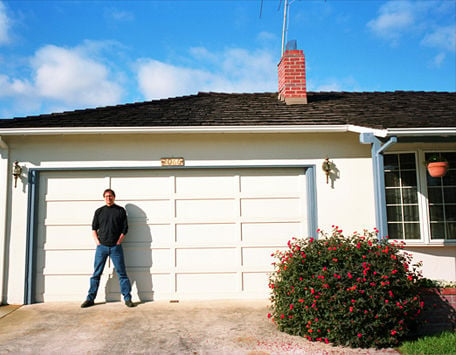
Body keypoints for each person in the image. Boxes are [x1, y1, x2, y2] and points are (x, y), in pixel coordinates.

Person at [81, 189, 134, 308]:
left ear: (114, 197)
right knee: (96, 274)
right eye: (106, 196)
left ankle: (127, 298)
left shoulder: (120, 211)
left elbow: (125, 229)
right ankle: (90, 299)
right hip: (102, 248)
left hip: (116, 248)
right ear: (104, 198)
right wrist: (98, 243)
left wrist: (119, 241)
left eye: (110, 196)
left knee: (122, 274)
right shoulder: (99, 211)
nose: (108, 198)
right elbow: (94, 228)